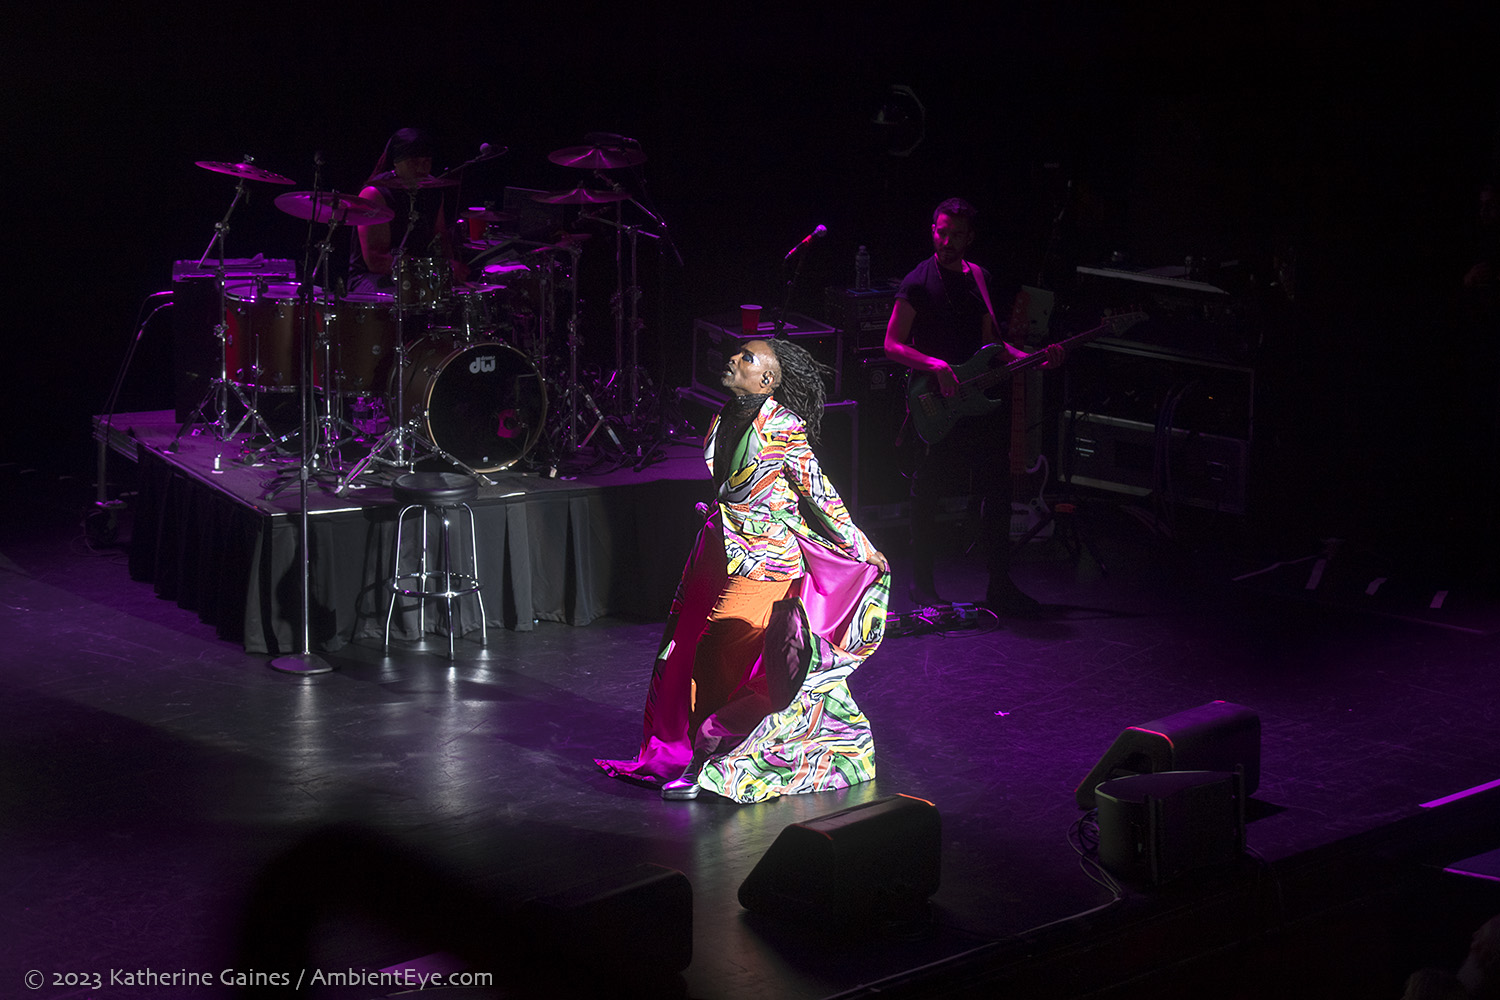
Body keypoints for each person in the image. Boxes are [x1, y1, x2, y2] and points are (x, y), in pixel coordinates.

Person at [597, 338, 890, 802]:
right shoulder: (724, 415)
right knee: (683, 647)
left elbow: (819, 489)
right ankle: (683, 747)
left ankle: (706, 763)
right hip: (717, 544)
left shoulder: (784, 426)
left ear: (767, 379)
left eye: (746, 358)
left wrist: (861, 545)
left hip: (764, 555)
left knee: (718, 654)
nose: (733, 359)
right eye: (737, 354)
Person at [884, 197, 1063, 616]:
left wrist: (1034, 357)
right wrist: (937, 365)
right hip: (936, 403)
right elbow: (892, 344)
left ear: (970, 238)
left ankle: (1000, 584)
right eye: (941, 231)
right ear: (933, 229)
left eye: (956, 235)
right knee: (927, 493)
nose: (947, 241)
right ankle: (922, 585)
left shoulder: (978, 278)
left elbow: (993, 347)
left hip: (978, 401)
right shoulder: (917, 282)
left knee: (997, 490)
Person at [348, 127, 464, 297]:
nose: (421, 169)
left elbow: (441, 237)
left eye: (426, 162)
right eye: (414, 162)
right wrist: (429, 269)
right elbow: (376, 260)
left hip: (418, 274)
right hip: (371, 277)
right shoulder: (375, 193)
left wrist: (450, 267)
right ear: (397, 161)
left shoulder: (433, 190)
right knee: (409, 297)